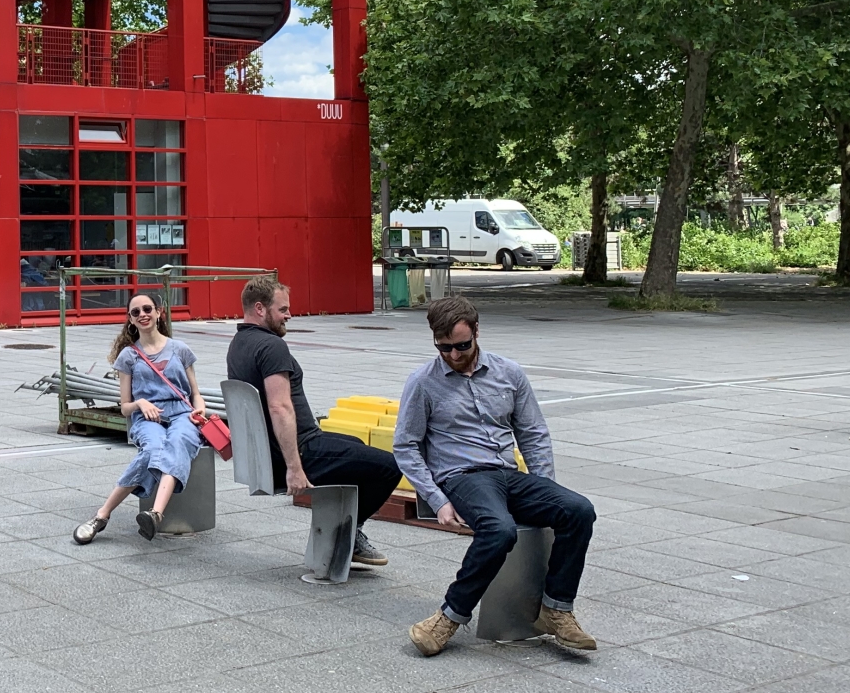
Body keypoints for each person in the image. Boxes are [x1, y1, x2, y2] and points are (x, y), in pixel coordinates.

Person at [395, 296, 598, 656]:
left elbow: (533, 433)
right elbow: (406, 447)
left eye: (462, 345)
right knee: (499, 530)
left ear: (476, 331)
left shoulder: (509, 373)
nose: (454, 355)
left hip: (508, 473)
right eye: (444, 348)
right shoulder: (422, 383)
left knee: (578, 509)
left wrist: (545, 486)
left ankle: (557, 609)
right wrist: (438, 500)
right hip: (463, 476)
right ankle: (448, 617)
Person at [226, 278, 401, 567]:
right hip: (300, 450)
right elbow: (279, 407)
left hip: (272, 452)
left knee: (355, 445)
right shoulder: (272, 347)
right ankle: (349, 533)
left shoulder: (239, 343)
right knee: (390, 466)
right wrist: (295, 468)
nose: (289, 315)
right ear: (260, 309)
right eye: (282, 309)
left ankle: (340, 530)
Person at [72, 293, 208, 543]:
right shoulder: (129, 356)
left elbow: (196, 394)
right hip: (146, 418)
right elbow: (125, 407)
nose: (143, 314)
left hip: (182, 414)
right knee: (152, 450)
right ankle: (102, 515)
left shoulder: (180, 349)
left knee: (179, 443)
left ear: (159, 312)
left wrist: (198, 410)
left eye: (147, 309)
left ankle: (154, 513)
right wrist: (140, 402)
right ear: (130, 320)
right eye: (136, 312)